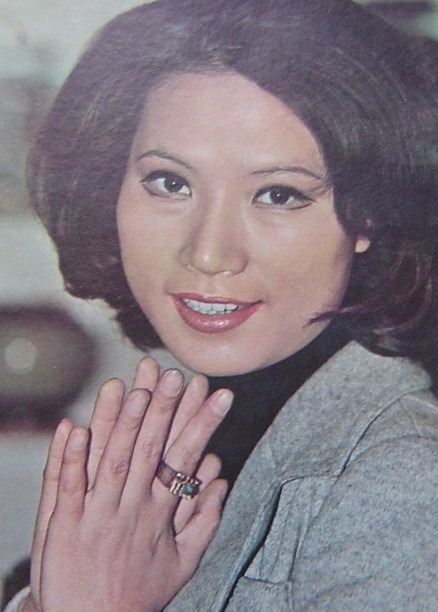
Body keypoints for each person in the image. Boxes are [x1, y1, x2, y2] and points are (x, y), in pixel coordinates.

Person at [6, 0, 438, 609]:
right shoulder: (205, 422)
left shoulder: (404, 479)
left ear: (369, 214)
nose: (209, 254)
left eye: (278, 194)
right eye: (170, 183)